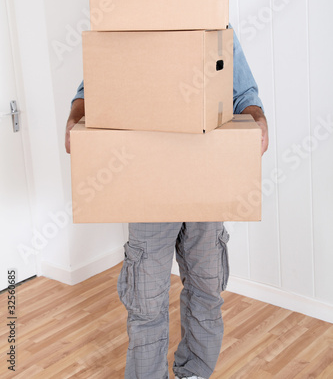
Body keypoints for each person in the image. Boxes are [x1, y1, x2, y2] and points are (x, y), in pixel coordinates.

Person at [65, 24, 268, 379]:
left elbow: (244, 91)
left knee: (206, 290)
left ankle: (193, 374)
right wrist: (75, 118)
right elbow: (93, 85)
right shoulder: (126, 26)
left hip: (205, 180)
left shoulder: (217, 26)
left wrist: (257, 120)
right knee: (146, 302)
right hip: (150, 183)